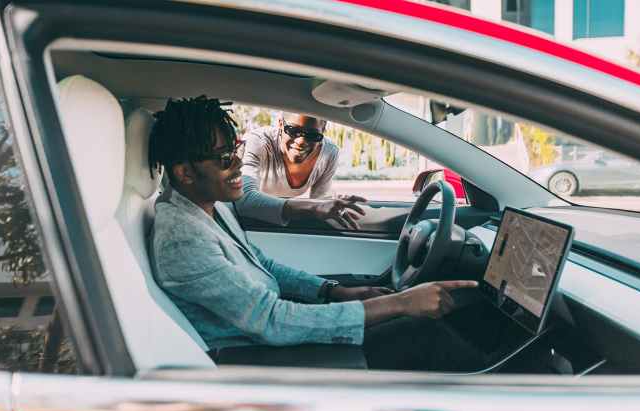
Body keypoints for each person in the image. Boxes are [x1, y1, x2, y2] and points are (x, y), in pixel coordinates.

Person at [148, 96, 484, 371]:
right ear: (185, 173)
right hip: (255, 357)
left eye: (235, 150)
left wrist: (334, 291)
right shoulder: (181, 236)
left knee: (384, 304)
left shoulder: (210, 206)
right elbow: (271, 320)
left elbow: (261, 264)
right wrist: (398, 303)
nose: (238, 164)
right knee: (420, 333)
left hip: (266, 331)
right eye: (224, 159)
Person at [236, 112, 365, 229]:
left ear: (323, 130)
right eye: (293, 130)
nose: (301, 141)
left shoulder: (329, 153)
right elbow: (243, 198)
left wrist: (332, 201)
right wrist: (315, 207)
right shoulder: (260, 141)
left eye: (313, 135)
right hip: (249, 223)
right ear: (280, 124)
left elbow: (320, 202)